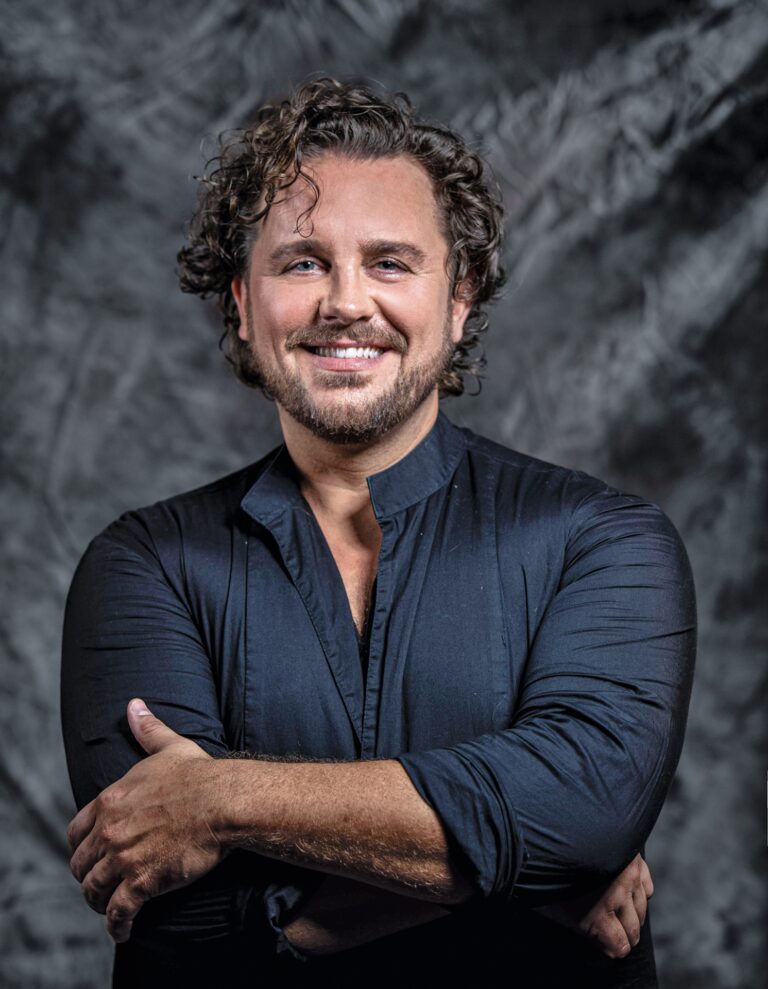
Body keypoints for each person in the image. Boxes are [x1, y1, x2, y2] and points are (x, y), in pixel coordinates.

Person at [61, 78, 695, 988]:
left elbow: (588, 809)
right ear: (241, 300)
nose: (347, 302)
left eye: (390, 263)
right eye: (302, 263)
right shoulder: (145, 564)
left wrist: (221, 798)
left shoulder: (604, 539)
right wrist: (534, 875)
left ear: (459, 298)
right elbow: (179, 918)